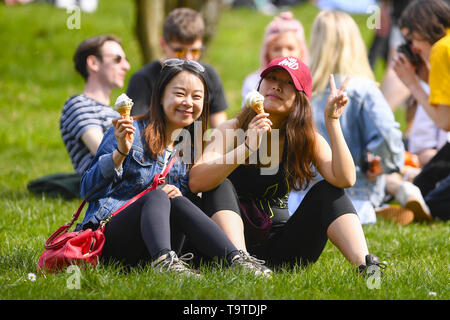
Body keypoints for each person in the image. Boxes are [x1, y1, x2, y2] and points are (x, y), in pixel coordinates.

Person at [189, 56, 385, 274]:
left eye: (288, 83)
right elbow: (197, 181)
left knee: (329, 191)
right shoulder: (232, 130)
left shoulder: (304, 138)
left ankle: (366, 267)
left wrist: (332, 122)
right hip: (224, 247)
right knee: (218, 182)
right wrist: (246, 148)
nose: (276, 86)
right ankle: (241, 263)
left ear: (301, 98)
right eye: (271, 77)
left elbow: (345, 179)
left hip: (279, 248)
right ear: (259, 85)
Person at [77, 59, 272, 277]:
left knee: (179, 199)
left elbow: (185, 213)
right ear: (160, 96)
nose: (188, 102)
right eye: (180, 93)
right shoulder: (129, 132)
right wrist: (120, 153)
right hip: (110, 243)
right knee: (157, 197)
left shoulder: (189, 148)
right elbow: (87, 190)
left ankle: (235, 261)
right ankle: (165, 264)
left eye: (197, 97)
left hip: (155, 245)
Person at [288, 10, 415, 225]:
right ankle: (391, 198)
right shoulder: (363, 90)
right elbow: (389, 138)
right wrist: (384, 165)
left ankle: (397, 194)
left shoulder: (300, 90)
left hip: (300, 196)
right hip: (355, 195)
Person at [392, 0, 450, 221]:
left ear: (424, 27)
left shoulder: (441, 49)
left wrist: (413, 84)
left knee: (431, 206)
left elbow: (445, 121)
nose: (413, 47)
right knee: (422, 186)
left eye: (412, 38)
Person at [127, 7, 228, 128]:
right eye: (180, 51)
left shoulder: (209, 75)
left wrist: (213, 147)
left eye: (195, 51)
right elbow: (136, 129)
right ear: (163, 44)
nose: (188, 58)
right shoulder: (143, 79)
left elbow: (220, 129)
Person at [60, 35, 129, 176]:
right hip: (106, 189)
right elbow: (103, 152)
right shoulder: (78, 104)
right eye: (118, 59)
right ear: (93, 63)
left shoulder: (115, 113)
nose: (127, 66)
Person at [241, 11, 308, 107]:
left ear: (302, 51)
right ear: (267, 52)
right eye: (276, 49)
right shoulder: (252, 83)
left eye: (290, 48)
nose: (284, 54)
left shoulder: (310, 83)